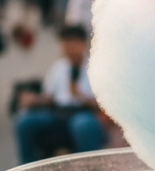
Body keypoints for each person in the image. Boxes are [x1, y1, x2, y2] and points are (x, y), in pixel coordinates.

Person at [13, 24, 105, 163]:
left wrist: (80, 95)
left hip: (83, 112)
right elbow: (49, 96)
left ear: (84, 43)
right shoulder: (59, 66)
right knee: (25, 121)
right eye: (65, 42)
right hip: (58, 111)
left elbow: (104, 106)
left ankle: (88, 168)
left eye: (73, 42)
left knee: (83, 125)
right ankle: (27, 166)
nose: (68, 46)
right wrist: (34, 99)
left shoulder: (96, 67)